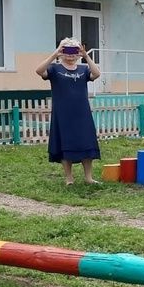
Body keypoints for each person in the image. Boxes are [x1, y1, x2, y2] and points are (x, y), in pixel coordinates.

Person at [34, 37, 101, 185]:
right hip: (62, 114)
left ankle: (88, 177)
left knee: (86, 143)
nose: (71, 54)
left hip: (82, 113)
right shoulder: (54, 69)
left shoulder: (83, 69)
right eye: (67, 50)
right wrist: (55, 53)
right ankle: (69, 178)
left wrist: (85, 56)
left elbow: (96, 74)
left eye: (74, 51)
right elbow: (39, 71)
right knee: (66, 144)